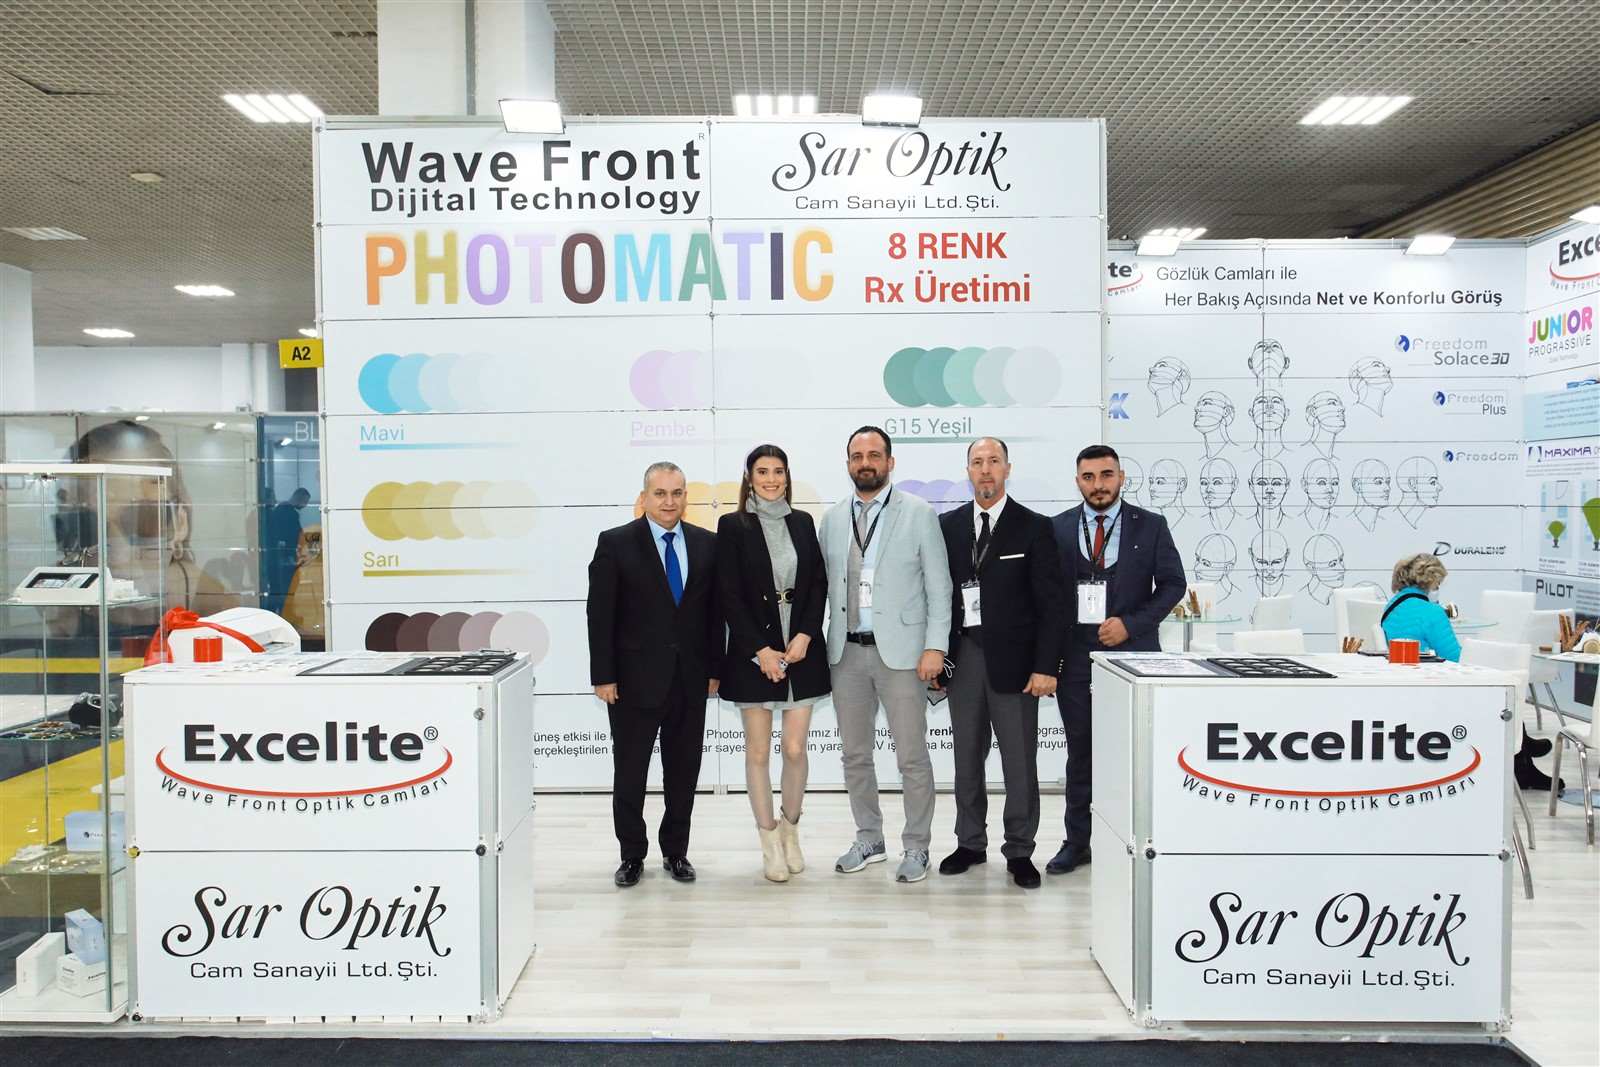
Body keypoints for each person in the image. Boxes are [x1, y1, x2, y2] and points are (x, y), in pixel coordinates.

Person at [820, 426, 952, 884]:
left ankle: (917, 846)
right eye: (857, 456)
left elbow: (939, 586)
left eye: (874, 455)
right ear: (848, 463)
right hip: (846, 654)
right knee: (855, 755)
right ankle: (869, 838)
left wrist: (936, 646)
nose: (866, 463)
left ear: (890, 462)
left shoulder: (918, 513)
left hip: (903, 656)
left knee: (911, 756)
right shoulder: (832, 519)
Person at [1049, 445, 1186, 876]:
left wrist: (1130, 624)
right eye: (1089, 477)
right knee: (1081, 754)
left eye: (1106, 475)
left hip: (1134, 660)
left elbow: (1173, 585)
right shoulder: (1057, 528)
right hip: (1075, 659)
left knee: (1134, 754)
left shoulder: (1152, 525)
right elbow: (1046, 596)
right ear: (1078, 481)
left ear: (1121, 477)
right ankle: (1077, 843)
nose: (1099, 485)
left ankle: (1136, 841)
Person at [935, 438, 1064, 889]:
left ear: (1008, 469)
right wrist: (937, 657)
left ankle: (1020, 849)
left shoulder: (1034, 527)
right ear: (967, 470)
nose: (985, 469)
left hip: (1018, 665)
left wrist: (1046, 666)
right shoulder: (947, 526)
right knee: (966, 758)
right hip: (964, 657)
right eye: (977, 462)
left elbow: (1052, 605)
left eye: (993, 462)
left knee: (1019, 762)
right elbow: (937, 596)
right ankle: (970, 842)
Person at [587, 461, 722, 888]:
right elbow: (600, 615)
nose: (669, 502)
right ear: (644, 497)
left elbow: (714, 615)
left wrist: (714, 669)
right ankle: (631, 855)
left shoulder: (707, 544)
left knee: (683, 772)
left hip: (690, 680)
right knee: (630, 773)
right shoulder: (615, 543)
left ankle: (676, 852)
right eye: (660, 493)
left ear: (686, 497)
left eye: (677, 493)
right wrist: (603, 675)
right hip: (631, 682)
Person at [715, 444, 828, 883]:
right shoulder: (733, 525)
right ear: (749, 477)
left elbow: (817, 584)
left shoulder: (802, 522)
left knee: (795, 749)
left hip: (801, 648)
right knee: (758, 752)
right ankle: (768, 843)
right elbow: (729, 594)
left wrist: (805, 634)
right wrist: (760, 650)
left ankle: (790, 832)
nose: (771, 479)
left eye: (778, 471)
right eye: (762, 471)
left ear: (787, 476)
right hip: (754, 654)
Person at [1379, 553, 1559, 791]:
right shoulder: (1432, 612)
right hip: (1436, 687)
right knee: (1504, 695)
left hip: (1405, 683)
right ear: (1430, 581)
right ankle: (1524, 761)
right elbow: (1456, 659)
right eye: (1438, 584)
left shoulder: (1391, 607)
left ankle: (1525, 748)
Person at [264, 488, 311, 614]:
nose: (305, 505)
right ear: (299, 497)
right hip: (285, 558)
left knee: (277, 589)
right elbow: (294, 536)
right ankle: (284, 613)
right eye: (305, 501)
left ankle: (278, 613)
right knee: (285, 588)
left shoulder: (279, 511)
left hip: (279, 558)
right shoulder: (289, 513)